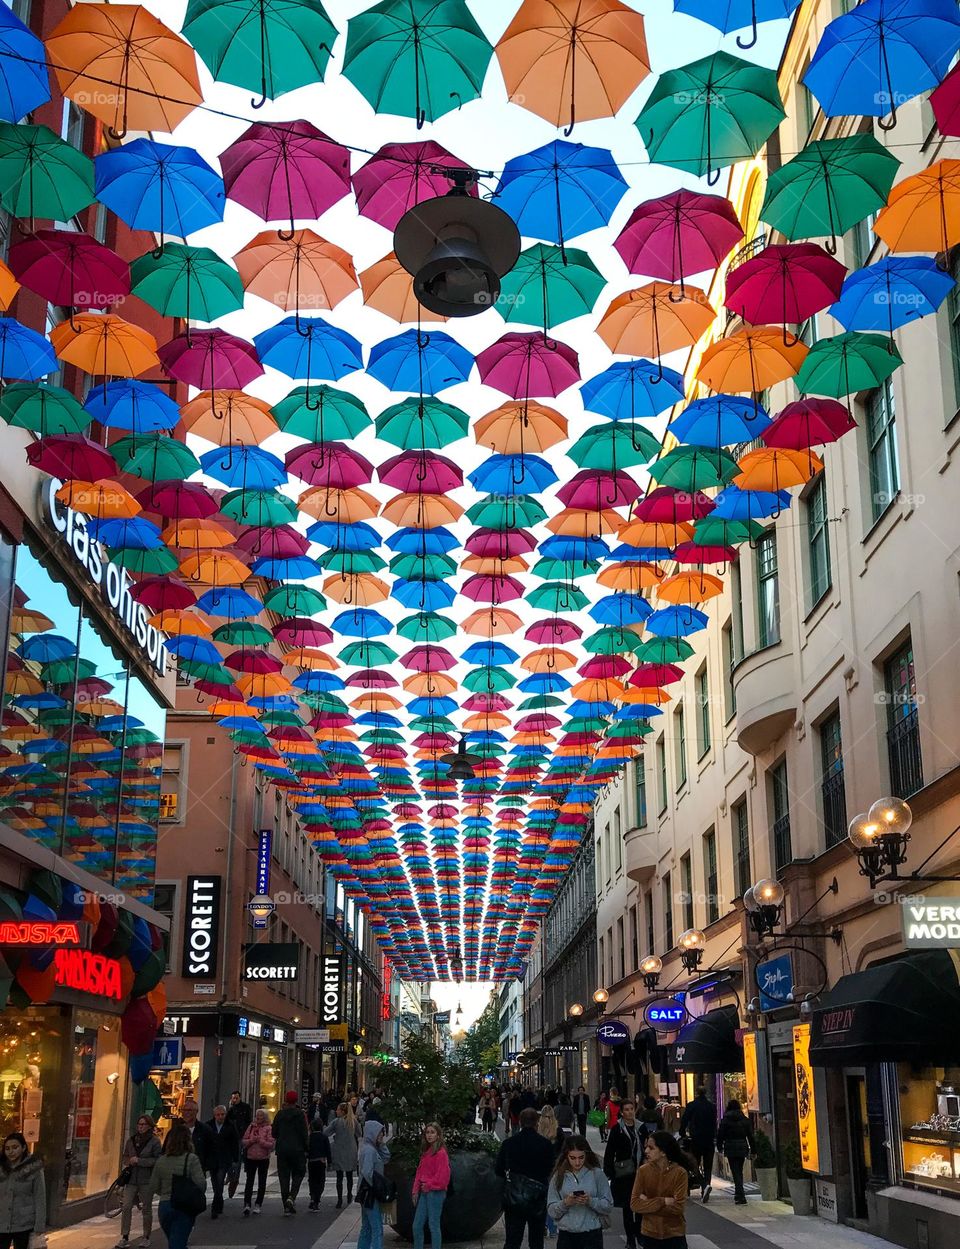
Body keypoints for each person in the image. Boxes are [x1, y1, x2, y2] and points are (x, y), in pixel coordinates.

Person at [495, 1106, 556, 1249]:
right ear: (537, 1122)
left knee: (512, 1240)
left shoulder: (509, 1143)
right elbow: (550, 1168)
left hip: (515, 1196)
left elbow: (499, 1169)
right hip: (538, 1195)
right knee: (536, 1241)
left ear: (521, 1123)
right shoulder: (545, 1144)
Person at [546, 1135, 612, 1249]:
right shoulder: (558, 1177)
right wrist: (565, 1203)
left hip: (592, 1235)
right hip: (567, 1236)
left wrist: (590, 1201)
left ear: (586, 1155)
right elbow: (551, 1211)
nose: (577, 1162)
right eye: (573, 1158)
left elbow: (608, 1205)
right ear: (566, 1156)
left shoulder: (597, 1174)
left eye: (581, 1157)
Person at [149, 1121, 207, 1249]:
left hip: (164, 1206)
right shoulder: (191, 1159)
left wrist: (165, 1192)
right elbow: (201, 1184)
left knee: (175, 1241)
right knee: (178, 1243)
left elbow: (153, 1185)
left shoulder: (162, 1160)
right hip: (184, 1206)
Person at [630, 1132, 690, 1249]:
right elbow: (634, 1204)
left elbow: (678, 1207)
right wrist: (662, 1201)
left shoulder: (679, 1173)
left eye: (651, 1148)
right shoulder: (643, 1171)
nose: (646, 1151)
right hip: (650, 1234)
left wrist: (648, 1202)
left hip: (674, 1234)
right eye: (646, 1146)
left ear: (663, 1152)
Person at [603, 1099, 644, 1249]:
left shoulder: (641, 1128)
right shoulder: (617, 1129)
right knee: (628, 1208)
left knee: (640, 1206)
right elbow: (610, 1151)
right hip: (624, 1173)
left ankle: (639, 1232)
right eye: (626, 1109)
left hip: (641, 1171)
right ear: (621, 1112)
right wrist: (609, 1171)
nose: (629, 1112)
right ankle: (630, 1239)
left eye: (631, 1109)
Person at [117, 1114, 161, 1248]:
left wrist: (140, 1161)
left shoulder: (154, 1141)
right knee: (126, 1206)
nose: (141, 1127)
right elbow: (125, 1156)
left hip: (146, 1179)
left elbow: (157, 1159)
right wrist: (128, 1160)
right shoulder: (131, 1140)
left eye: (143, 1125)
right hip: (131, 1179)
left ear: (149, 1126)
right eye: (139, 1124)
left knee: (146, 1208)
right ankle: (124, 1236)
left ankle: (146, 1236)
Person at [0, 1133, 45, 1249]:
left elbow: (40, 1197)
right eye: (7, 1148)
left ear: (24, 1147)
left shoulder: (33, 1168)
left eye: (15, 1147)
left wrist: (39, 1227)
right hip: (1, 1222)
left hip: (24, 1223)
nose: (11, 1152)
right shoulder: (1, 1168)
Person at [412, 1123, 450, 1249]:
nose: (429, 1135)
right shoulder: (426, 1152)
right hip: (425, 1191)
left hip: (435, 1192)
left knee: (433, 1225)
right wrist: (415, 1190)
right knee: (417, 1225)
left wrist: (429, 1185)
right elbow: (419, 1171)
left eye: (432, 1132)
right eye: (427, 1132)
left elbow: (443, 1178)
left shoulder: (441, 1154)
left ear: (438, 1135)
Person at [272, 1091, 308, 1215]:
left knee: (283, 1176)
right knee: (299, 1173)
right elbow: (304, 1133)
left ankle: (286, 1204)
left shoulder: (280, 1114)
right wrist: (306, 1148)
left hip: (282, 1150)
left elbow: (274, 1132)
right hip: (297, 1149)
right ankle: (291, 1197)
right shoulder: (300, 1115)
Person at [715, 1100, 755, 1206]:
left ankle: (740, 1195)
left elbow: (720, 1134)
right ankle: (739, 1194)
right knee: (739, 1170)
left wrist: (719, 1146)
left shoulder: (726, 1120)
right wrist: (754, 1150)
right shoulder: (744, 1120)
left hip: (730, 1147)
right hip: (742, 1146)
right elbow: (750, 1136)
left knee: (735, 1171)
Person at [357, 1121, 390, 1249]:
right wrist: (378, 1187)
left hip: (365, 1193)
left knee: (366, 1227)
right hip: (370, 1194)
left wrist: (381, 1144)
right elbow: (367, 1172)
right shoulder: (370, 1150)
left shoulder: (370, 1148)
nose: (382, 1134)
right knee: (377, 1228)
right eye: (380, 1132)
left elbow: (386, 1157)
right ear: (372, 1133)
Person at [679, 1087, 716, 1203]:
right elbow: (714, 1122)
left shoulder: (692, 1105)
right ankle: (705, 1188)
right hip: (709, 1139)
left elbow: (684, 1120)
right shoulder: (712, 1106)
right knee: (708, 1165)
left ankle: (704, 1185)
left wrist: (682, 1133)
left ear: (696, 1093)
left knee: (694, 1164)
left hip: (696, 1139)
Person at [205, 1106, 240, 1220]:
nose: (221, 1117)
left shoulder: (230, 1125)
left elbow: (235, 1142)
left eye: (223, 1114)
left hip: (224, 1158)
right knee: (215, 1182)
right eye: (218, 1115)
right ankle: (219, 1202)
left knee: (220, 1181)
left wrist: (235, 1158)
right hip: (212, 1158)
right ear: (214, 1115)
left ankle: (215, 1208)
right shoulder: (208, 1125)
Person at [325, 1101, 360, 1207]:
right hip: (351, 1149)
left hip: (339, 1149)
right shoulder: (353, 1121)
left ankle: (339, 1199)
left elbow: (326, 1132)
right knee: (349, 1175)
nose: (336, 1111)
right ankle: (349, 1194)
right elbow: (359, 1133)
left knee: (339, 1176)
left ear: (342, 1111)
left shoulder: (336, 1122)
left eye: (338, 1109)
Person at [240, 1109, 274, 1216]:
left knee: (262, 1182)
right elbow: (244, 1141)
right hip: (251, 1157)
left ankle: (258, 1204)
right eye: (257, 1116)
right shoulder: (251, 1127)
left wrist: (261, 1141)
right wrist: (251, 1140)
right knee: (249, 1181)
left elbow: (271, 1144)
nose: (259, 1118)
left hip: (263, 1158)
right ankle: (247, 1204)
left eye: (261, 1116)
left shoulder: (268, 1128)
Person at [179, 1102, 214, 1177]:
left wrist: (206, 1167)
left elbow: (212, 1150)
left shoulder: (205, 1130)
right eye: (184, 1110)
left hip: (198, 1171)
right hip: (179, 1170)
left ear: (196, 1112)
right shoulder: (176, 1130)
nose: (186, 1113)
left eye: (190, 1110)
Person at [307, 1114, 332, 1210]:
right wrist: (329, 1162)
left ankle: (312, 1196)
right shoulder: (324, 1137)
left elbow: (307, 1148)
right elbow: (328, 1150)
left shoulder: (310, 1137)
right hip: (321, 1161)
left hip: (311, 1161)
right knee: (320, 1180)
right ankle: (317, 1198)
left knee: (312, 1180)